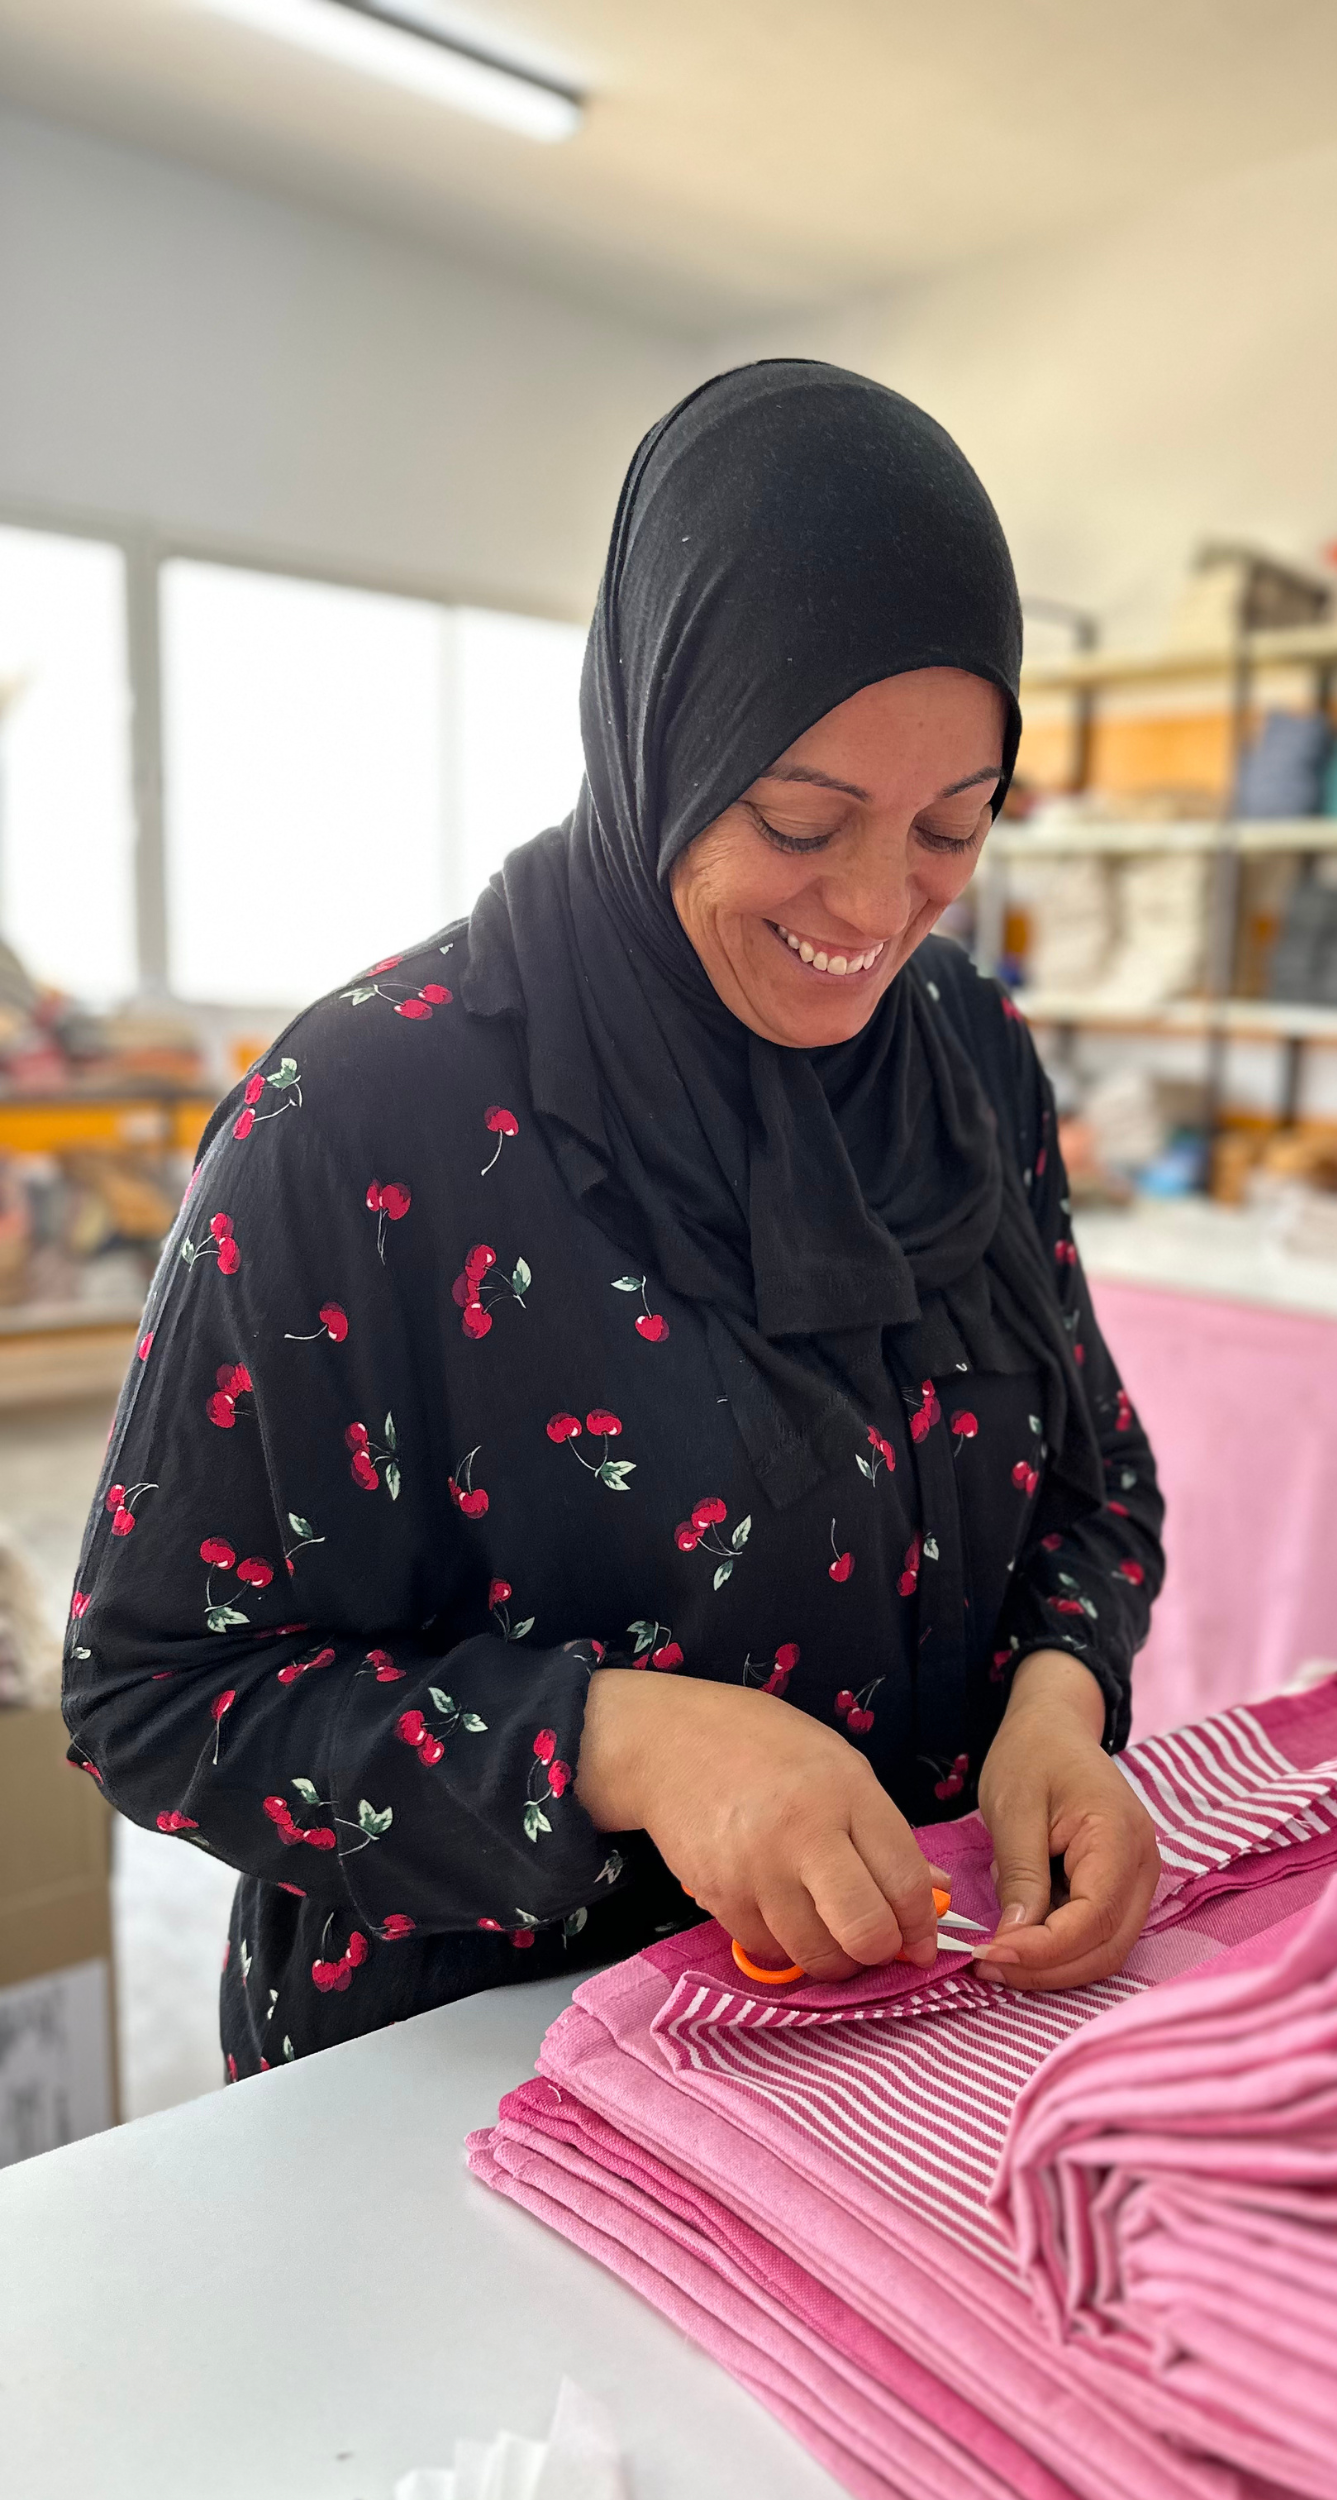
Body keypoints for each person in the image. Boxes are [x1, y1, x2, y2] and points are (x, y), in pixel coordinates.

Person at [63, 364, 1164, 2075]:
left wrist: (1058, 1707)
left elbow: (1094, 1481)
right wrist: (625, 1745)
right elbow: (158, 1700)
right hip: (475, 2092)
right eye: (801, 824)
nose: (878, 911)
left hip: (906, 2051)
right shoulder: (373, 1117)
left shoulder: (967, 1063)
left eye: (956, 827)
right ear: (664, 737)